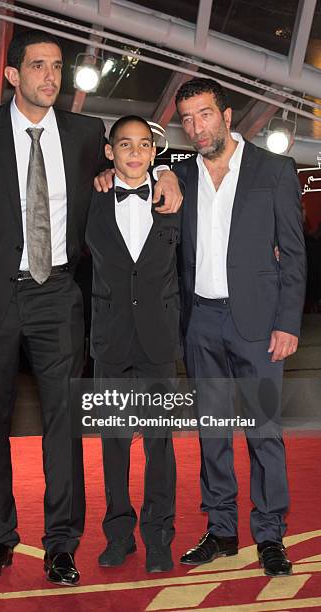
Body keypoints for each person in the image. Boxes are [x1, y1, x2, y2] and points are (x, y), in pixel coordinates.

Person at [0, 29, 182, 586]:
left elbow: (133, 160)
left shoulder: (83, 131)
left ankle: (61, 543)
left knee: (64, 425)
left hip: (59, 297)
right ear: (13, 76)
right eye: (39, 66)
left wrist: (167, 170)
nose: (51, 76)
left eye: (58, 67)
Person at [172, 78, 306, 577]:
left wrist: (288, 321)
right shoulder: (181, 174)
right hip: (200, 320)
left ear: (227, 116)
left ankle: (269, 534)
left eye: (204, 114)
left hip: (257, 323)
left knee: (262, 431)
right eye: (187, 118)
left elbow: (293, 253)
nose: (196, 127)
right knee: (212, 431)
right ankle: (222, 529)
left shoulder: (273, 170)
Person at [86, 116, 182, 573]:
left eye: (144, 145)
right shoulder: (94, 196)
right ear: (110, 152)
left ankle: (159, 537)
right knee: (114, 443)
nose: (135, 152)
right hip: (111, 340)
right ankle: (119, 535)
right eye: (125, 144)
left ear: (153, 152)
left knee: (160, 444)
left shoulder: (174, 197)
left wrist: (171, 175)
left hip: (159, 340)